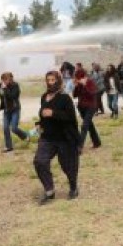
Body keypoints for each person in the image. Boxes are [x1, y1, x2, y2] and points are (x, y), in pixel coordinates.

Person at [33, 71, 82, 205]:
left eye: (53, 80)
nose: (50, 83)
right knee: (39, 161)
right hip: (47, 138)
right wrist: (39, 124)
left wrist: (53, 113)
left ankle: (73, 187)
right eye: (48, 80)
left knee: (68, 166)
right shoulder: (44, 97)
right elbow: (43, 115)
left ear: (58, 81)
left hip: (64, 138)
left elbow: (71, 118)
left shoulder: (65, 98)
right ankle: (49, 190)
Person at [0, 72, 29, 152]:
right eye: (3, 80)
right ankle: (8, 146)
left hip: (15, 109)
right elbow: (2, 97)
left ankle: (25, 136)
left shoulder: (15, 86)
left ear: (10, 79)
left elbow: (12, 96)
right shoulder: (1, 86)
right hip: (6, 110)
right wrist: (0, 90)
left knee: (14, 128)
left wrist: (5, 88)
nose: (4, 81)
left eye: (6, 79)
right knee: (5, 128)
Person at [73, 69, 101, 149]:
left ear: (84, 77)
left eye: (79, 78)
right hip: (81, 107)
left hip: (91, 107)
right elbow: (75, 95)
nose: (78, 80)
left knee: (84, 126)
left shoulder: (90, 82)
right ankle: (97, 142)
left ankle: (79, 146)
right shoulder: (78, 84)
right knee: (89, 125)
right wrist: (76, 86)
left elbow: (92, 94)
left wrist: (85, 85)